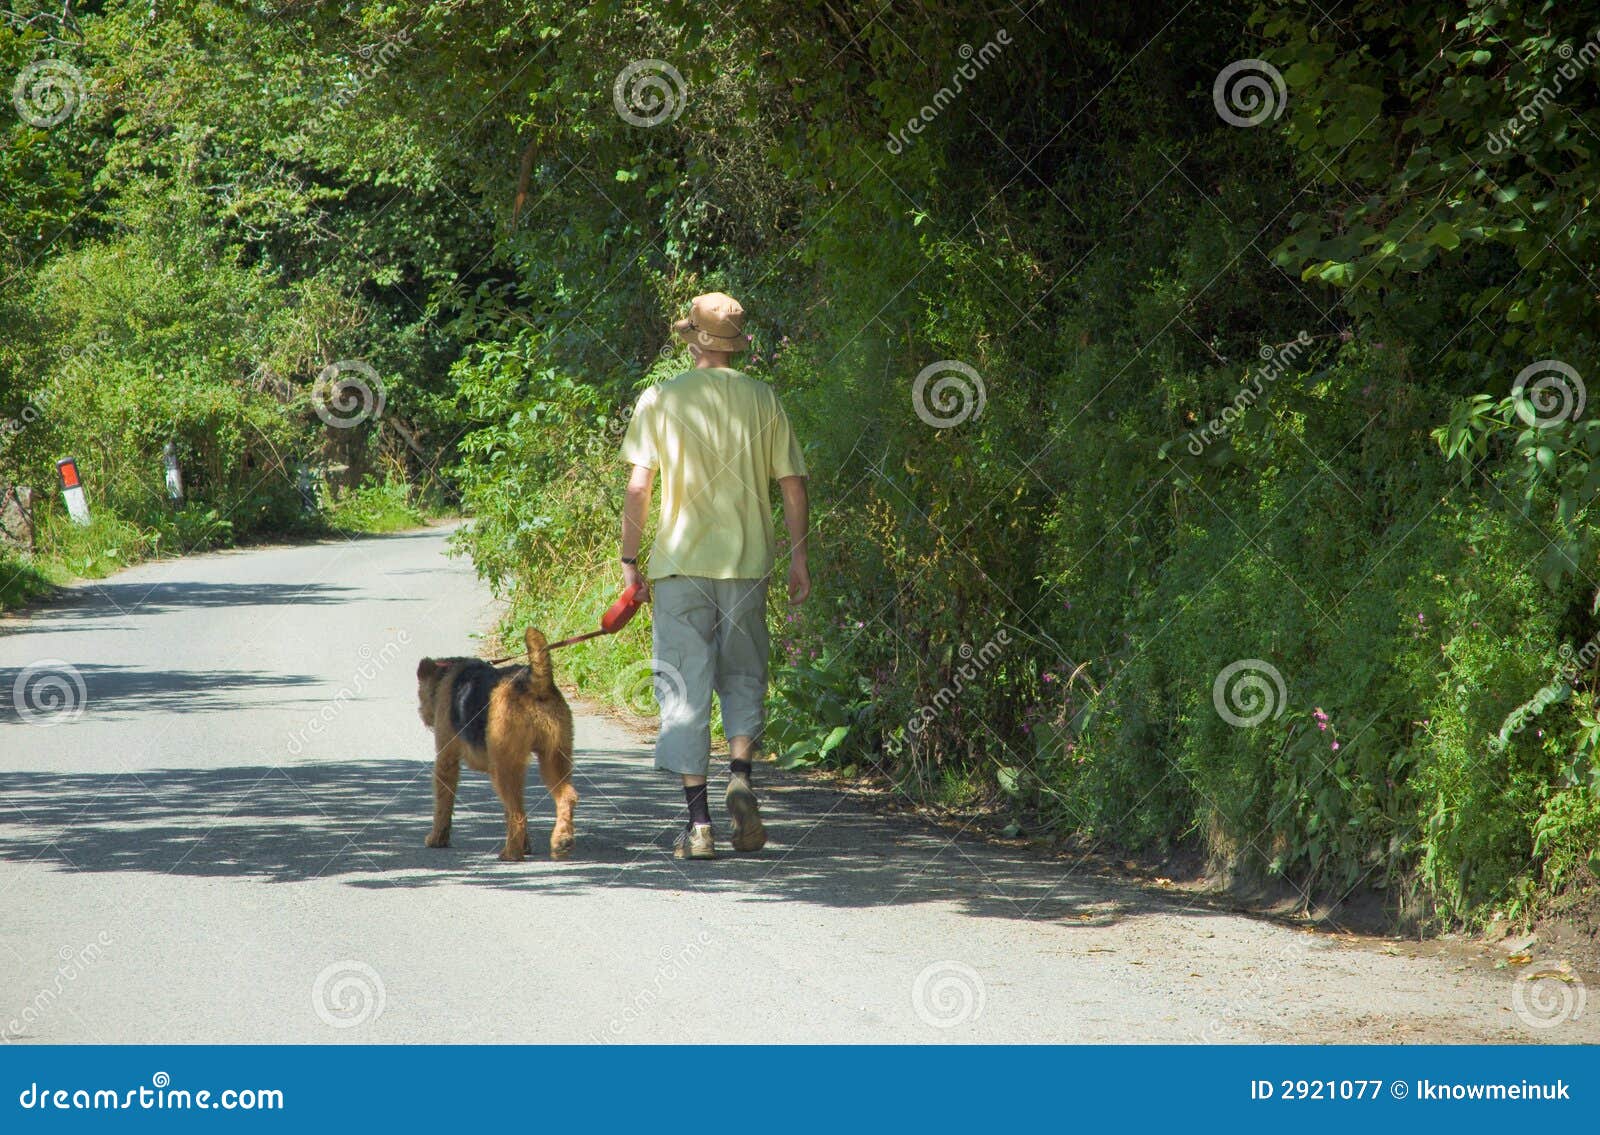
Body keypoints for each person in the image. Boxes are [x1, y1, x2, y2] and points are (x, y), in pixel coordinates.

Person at [618, 292, 810, 859]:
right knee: (745, 674)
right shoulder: (763, 399)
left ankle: (698, 826)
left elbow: (639, 487)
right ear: (735, 345)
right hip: (747, 565)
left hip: (680, 567)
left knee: (684, 688)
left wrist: (630, 563)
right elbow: (793, 484)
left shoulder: (660, 399)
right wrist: (798, 557)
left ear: (695, 340)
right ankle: (742, 777)